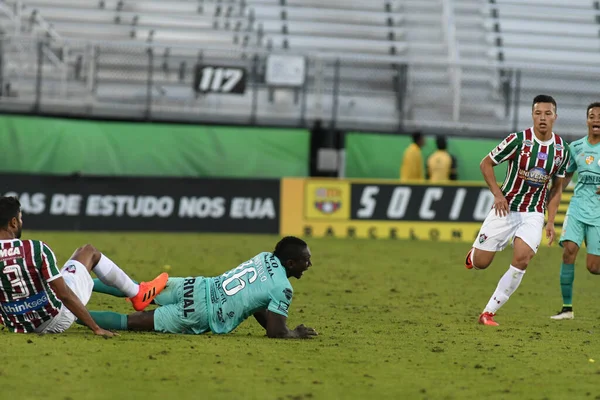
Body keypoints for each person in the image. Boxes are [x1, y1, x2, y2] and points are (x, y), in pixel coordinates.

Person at [464, 94, 570, 326]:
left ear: (555, 116)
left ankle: (488, 312)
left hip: (533, 213)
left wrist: (550, 221)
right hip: (506, 208)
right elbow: (486, 164)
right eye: (538, 113)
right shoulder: (518, 141)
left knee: (522, 258)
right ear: (532, 115)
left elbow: (556, 189)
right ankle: (474, 254)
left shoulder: (561, 150)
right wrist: (498, 194)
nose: (542, 118)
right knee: (481, 263)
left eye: (547, 113)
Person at [85, 236, 318, 339]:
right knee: (130, 323)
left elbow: (255, 302)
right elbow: (276, 332)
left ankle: (73, 285)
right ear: (290, 263)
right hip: (201, 313)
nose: (309, 264)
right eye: (305, 260)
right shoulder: (283, 288)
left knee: (135, 289)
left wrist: (270, 321)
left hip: (197, 286)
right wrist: (294, 333)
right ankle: (66, 311)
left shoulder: (264, 257)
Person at [0, 196, 168, 335]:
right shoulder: (35, 248)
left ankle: (129, 291)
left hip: (19, 326)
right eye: (21, 218)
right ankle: (137, 293)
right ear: (13, 222)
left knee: (63, 275)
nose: (22, 222)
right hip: (56, 319)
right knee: (88, 252)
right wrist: (96, 328)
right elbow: (64, 295)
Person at [550, 102, 600, 320]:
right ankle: (567, 308)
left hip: (598, 213)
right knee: (569, 250)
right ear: (587, 120)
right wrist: (553, 193)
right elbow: (566, 175)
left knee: (593, 267)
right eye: (592, 116)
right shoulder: (576, 147)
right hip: (578, 206)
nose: (596, 119)